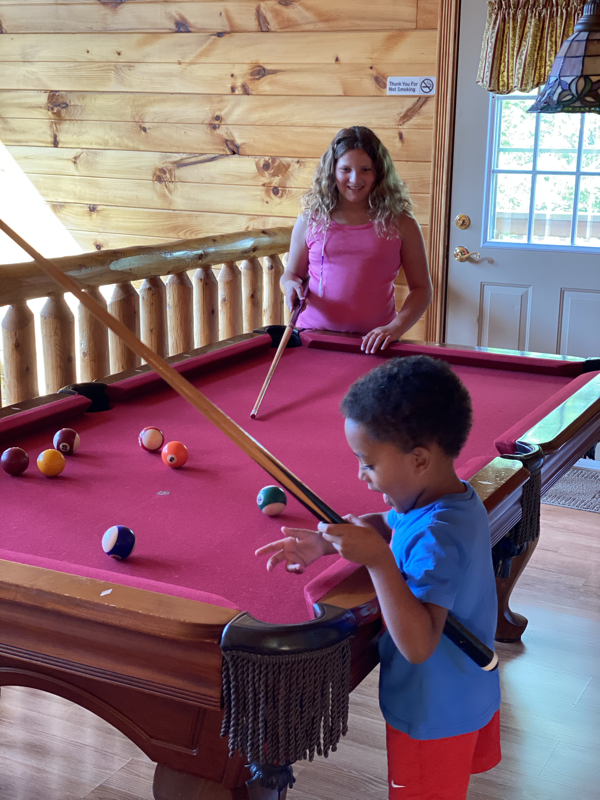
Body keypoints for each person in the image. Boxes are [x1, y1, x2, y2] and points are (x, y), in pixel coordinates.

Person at [256, 356, 501, 799]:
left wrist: (379, 563)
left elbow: (419, 645)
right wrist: (326, 542)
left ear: (419, 459)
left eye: (367, 463)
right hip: (464, 688)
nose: (360, 474)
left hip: (432, 713)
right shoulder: (446, 503)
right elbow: (390, 525)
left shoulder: (438, 536)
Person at [280, 126, 432, 354]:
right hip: (311, 338)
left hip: (374, 343)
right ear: (332, 171)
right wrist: (289, 285)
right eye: (346, 169)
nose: (355, 179)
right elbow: (291, 274)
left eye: (365, 169)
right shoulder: (309, 220)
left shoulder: (402, 223)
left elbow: (422, 289)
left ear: (379, 172)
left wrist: (395, 328)